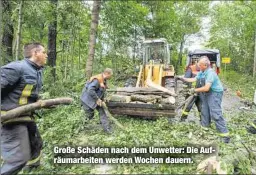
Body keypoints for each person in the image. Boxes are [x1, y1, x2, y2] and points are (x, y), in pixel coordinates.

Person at [1, 42, 48, 175]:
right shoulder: (17, 68)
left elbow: (25, 93)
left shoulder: (37, 71)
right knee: (18, 158)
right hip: (11, 118)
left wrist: (39, 102)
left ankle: (31, 170)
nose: (46, 55)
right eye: (44, 52)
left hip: (26, 116)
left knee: (36, 144)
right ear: (35, 53)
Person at [178, 56, 230, 143]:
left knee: (215, 113)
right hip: (207, 93)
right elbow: (194, 79)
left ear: (205, 65)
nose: (198, 66)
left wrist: (194, 90)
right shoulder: (202, 72)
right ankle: (205, 129)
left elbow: (206, 88)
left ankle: (225, 136)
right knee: (204, 111)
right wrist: (183, 78)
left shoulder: (210, 73)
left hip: (214, 93)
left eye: (200, 64)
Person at [80, 68, 113, 133]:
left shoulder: (104, 80)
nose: (111, 77)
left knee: (102, 112)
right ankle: (79, 127)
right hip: (87, 100)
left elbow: (101, 91)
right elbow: (90, 90)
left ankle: (107, 129)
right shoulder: (97, 80)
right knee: (89, 116)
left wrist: (102, 100)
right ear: (107, 73)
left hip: (96, 100)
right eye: (111, 75)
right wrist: (97, 99)